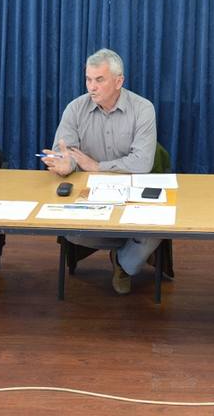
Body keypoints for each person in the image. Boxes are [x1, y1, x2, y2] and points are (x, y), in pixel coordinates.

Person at [42, 48, 159, 295]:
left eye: (99, 80)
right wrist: (65, 165)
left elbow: (142, 163)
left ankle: (123, 264)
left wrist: (96, 167)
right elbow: (64, 153)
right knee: (71, 231)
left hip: (131, 193)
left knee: (154, 232)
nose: (91, 87)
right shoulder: (75, 108)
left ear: (119, 81)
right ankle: (128, 245)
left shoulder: (143, 109)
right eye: (88, 79)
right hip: (88, 195)